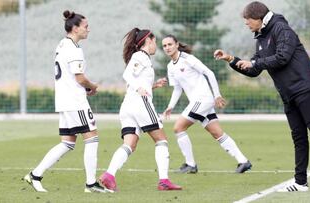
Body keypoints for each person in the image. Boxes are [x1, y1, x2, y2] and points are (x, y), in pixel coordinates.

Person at [214, 1, 310, 192]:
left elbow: (283, 57)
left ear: (258, 18)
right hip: (288, 93)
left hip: (304, 87)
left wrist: (255, 63)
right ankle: (301, 181)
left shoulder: (282, 28)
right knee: (298, 136)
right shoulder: (261, 37)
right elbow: (254, 69)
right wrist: (232, 60)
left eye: (248, 21)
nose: (246, 24)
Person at [23, 10, 107, 193]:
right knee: (92, 138)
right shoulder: (74, 49)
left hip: (64, 100)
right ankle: (91, 184)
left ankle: (35, 175)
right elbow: (80, 78)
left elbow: (70, 76)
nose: (88, 30)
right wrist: (92, 86)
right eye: (86, 27)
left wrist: (85, 87)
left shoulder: (62, 44)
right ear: (75, 28)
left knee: (67, 143)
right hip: (75, 101)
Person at [99, 28, 182, 192]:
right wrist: (140, 89)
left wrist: (152, 86)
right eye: (155, 42)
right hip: (140, 104)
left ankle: (109, 175)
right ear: (148, 40)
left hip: (128, 106)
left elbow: (136, 80)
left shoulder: (141, 58)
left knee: (129, 144)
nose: (156, 46)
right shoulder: (140, 56)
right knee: (161, 140)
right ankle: (164, 181)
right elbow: (127, 75)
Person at [161, 35, 252, 174]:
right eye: (164, 46)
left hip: (202, 99)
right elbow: (178, 88)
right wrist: (170, 106)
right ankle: (243, 161)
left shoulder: (188, 59)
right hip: (199, 102)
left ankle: (190, 165)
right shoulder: (170, 67)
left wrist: (217, 95)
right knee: (217, 132)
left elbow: (209, 73)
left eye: (170, 44)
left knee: (178, 128)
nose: (167, 48)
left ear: (177, 45)